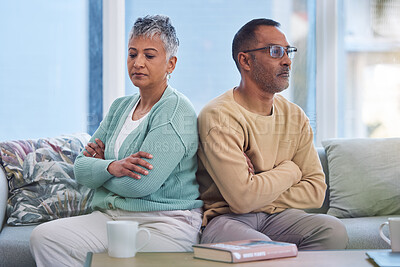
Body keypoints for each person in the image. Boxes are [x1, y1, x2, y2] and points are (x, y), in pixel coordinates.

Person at [30, 15, 203, 266]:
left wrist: (100, 172)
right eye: (132, 54)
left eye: (149, 55)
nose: (138, 63)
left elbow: (140, 184)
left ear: (171, 64)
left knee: (119, 260)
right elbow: (81, 169)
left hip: (163, 222)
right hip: (112, 217)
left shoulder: (175, 110)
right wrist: (112, 167)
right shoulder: (120, 107)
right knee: (45, 238)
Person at [196, 18, 348, 250]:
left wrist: (256, 191)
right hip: (226, 219)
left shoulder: (295, 116)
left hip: (279, 218)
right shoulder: (219, 116)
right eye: (276, 52)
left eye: (288, 52)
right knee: (261, 247)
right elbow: (242, 199)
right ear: (245, 60)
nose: (287, 61)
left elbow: (316, 191)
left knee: (332, 230)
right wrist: (291, 170)